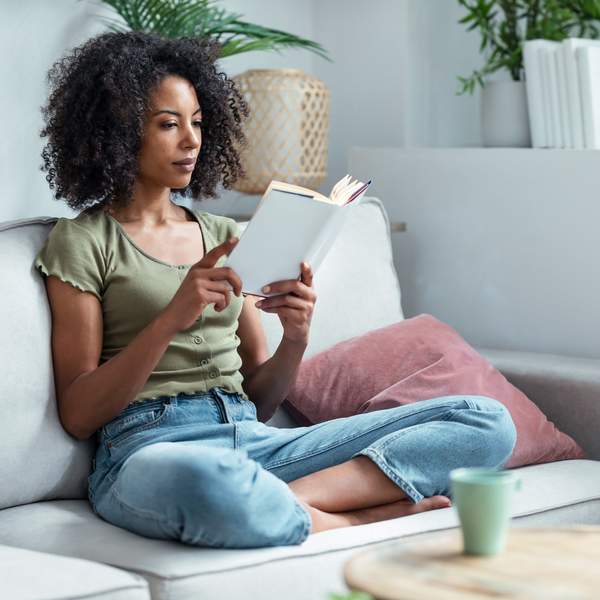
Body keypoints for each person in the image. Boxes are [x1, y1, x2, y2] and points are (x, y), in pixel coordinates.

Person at [34, 31, 517, 549]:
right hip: (149, 448)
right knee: (207, 483)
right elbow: (80, 413)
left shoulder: (223, 236)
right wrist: (173, 316)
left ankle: (284, 500)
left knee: (486, 421)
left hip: (255, 440)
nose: (191, 140)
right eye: (168, 124)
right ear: (120, 132)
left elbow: (260, 401)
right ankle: (349, 519)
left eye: (197, 122)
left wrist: (296, 337)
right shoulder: (82, 242)